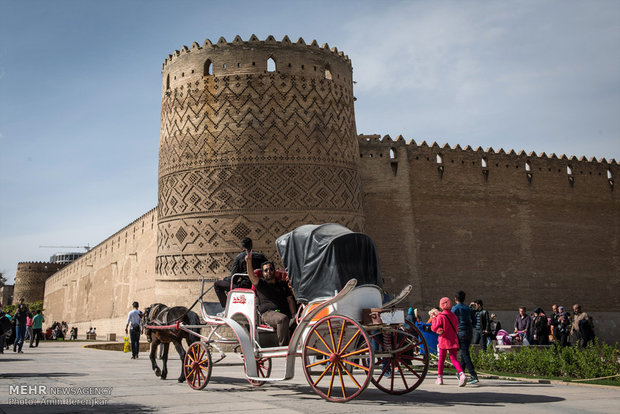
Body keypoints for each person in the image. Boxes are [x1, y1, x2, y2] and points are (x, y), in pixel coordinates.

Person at [245, 252, 296, 346]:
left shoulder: (282, 284)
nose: (269, 271)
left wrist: (294, 316)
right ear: (263, 273)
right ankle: (284, 347)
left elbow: (290, 300)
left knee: (300, 319)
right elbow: (252, 276)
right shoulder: (261, 284)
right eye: (266, 270)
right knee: (282, 319)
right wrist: (249, 261)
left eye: (271, 269)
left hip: (285, 312)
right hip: (269, 313)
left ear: (274, 271)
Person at [213, 237, 267, 308]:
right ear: (251, 246)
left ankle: (225, 308)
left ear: (242, 247)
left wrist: (224, 279)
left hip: (245, 286)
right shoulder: (261, 256)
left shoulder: (239, 257)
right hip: (259, 286)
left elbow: (233, 279)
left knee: (217, 284)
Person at [430, 297, 467, 387]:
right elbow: (457, 328)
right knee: (453, 359)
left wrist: (434, 318)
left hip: (443, 340)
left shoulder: (440, 317)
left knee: (441, 360)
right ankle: (462, 374)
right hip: (453, 339)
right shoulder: (454, 316)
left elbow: (434, 328)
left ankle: (440, 378)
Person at [452, 290, 479, 385]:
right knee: (464, 351)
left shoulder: (455, 309)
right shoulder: (468, 308)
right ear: (464, 299)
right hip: (469, 331)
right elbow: (475, 320)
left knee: (465, 352)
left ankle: (473, 374)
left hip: (461, 332)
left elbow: (451, 320)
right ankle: (461, 372)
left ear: (455, 299)